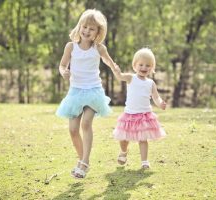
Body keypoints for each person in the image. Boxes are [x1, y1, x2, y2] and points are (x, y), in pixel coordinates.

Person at [56, 9, 118, 178]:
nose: (87, 31)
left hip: (93, 91)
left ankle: (83, 163)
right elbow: (62, 65)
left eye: (92, 29)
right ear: (79, 27)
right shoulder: (71, 47)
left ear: (98, 32)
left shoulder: (98, 49)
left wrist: (117, 71)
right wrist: (64, 72)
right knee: (73, 130)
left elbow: (109, 62)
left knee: (86, 124)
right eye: (85, 27)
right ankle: (83, 160)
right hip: (75, 92)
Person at [112, 48, 166, 169]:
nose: (144, 67)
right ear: (135, 65)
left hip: (144, 115)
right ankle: (124, 152)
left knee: (143, 139)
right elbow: (120, 77)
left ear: (152, 68)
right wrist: (116, 71)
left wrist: (161, 103)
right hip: (130, 115)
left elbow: (156, 97)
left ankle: (144, 161)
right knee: (124, 138)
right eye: (141, 64)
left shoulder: (150, 83)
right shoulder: (131, 78)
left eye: (148, 65)